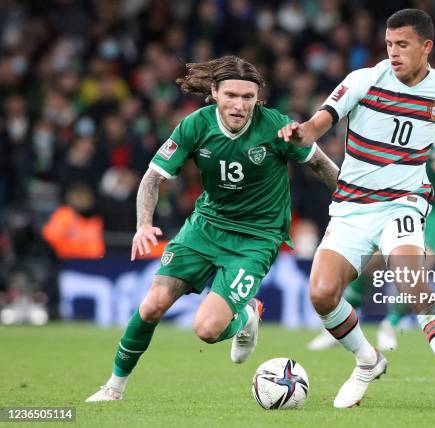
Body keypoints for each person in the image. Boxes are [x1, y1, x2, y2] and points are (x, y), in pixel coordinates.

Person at [86, 56, 339, 402]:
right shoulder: (195, 125)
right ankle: (113, 388)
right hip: (205, 227)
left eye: (248, 97)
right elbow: (153, 177)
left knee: (206, 330)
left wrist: (352, 206)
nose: (239, 105)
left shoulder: (276, 127)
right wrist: (143, 224)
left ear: (258, 99)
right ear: (215, 92)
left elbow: (322, 165)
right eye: (231, 95)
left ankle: (246, 313)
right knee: (151, 306)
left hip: (256, 238)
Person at [278, 9, 435, 410]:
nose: (393, 52)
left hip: (403, 202)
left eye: (402, 45)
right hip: (353, 205)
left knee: (410, 282)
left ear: (426, 47)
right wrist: (301, 133)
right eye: (389, 44)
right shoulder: (364, 80)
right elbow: (323, 120)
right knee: (321, 295)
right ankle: (367, 359)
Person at [308, 58, 435, 351]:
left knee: (416, 270)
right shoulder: (419, 105)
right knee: (370, 266)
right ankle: (343, 323)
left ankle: (390, 324)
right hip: (401, 201)